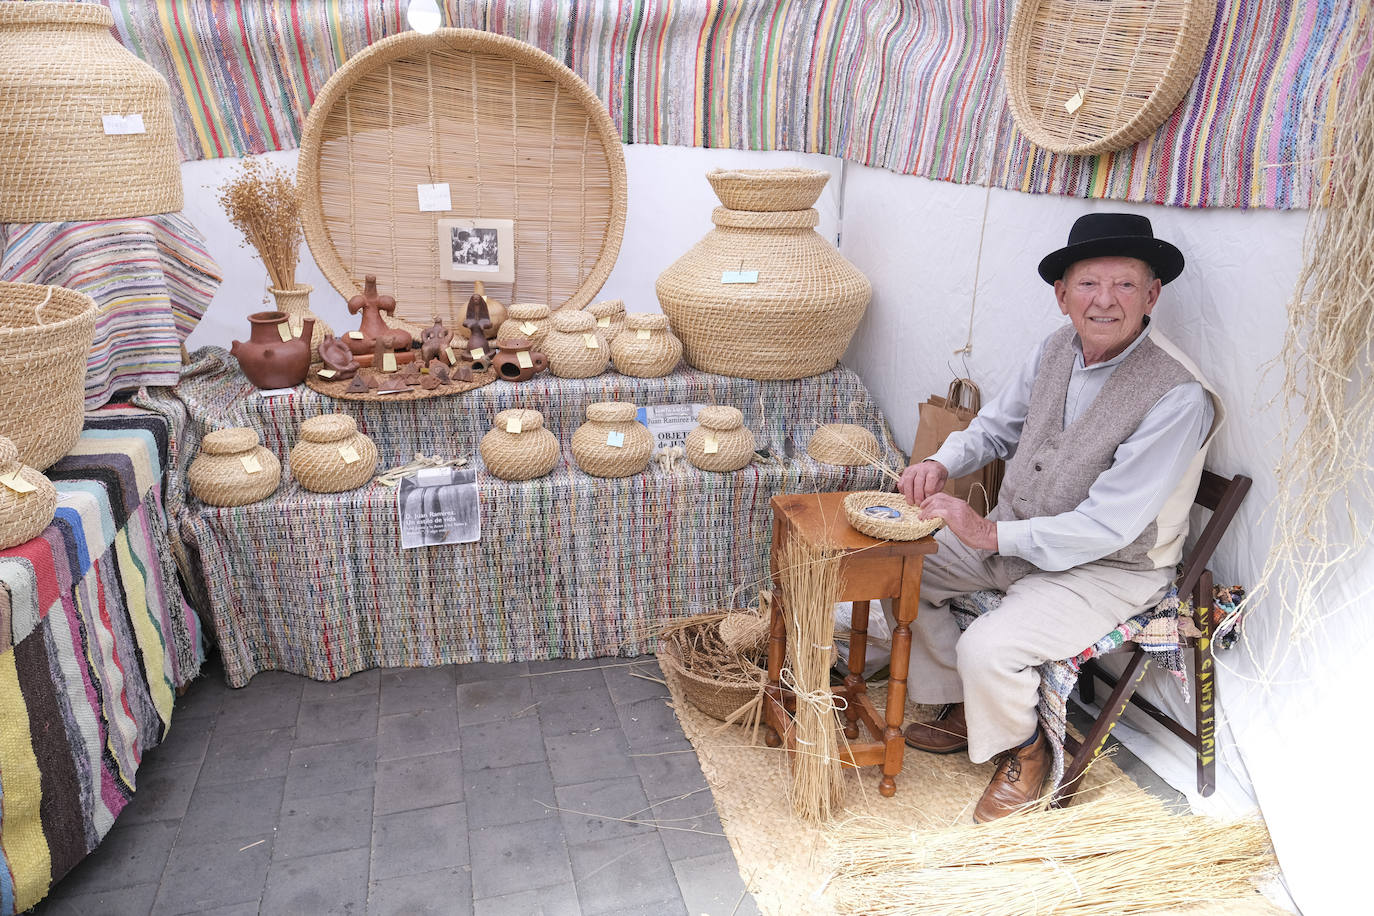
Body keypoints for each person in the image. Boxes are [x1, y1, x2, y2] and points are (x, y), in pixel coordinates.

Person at [895, 212, 1224, 822]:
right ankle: (963, 702)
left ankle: (1024, 752)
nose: (1104, 301)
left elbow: (1110, 526)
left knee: (990, 647)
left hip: (1108, 570)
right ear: (1061, 295)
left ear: (1152, 295)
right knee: (903, 572)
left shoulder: (1178, 394)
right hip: (1018, 536)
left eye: (1125, 284)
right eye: (1087, 284)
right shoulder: (1055, 348)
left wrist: (989, 532)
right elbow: (995, 427)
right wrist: (941, 463)